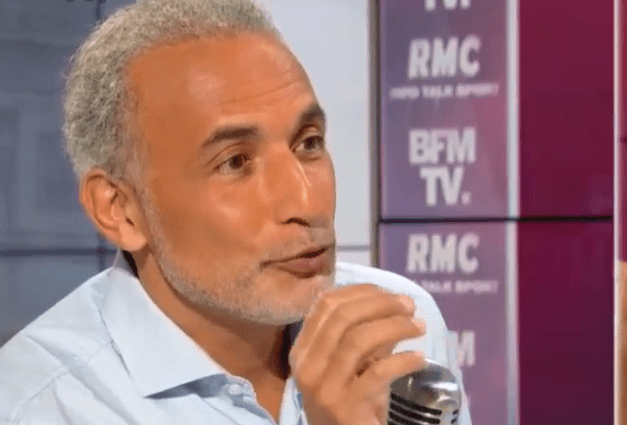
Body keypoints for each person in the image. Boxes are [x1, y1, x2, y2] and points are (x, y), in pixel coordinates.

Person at [0, 0, 471, 424]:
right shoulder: (40, 405)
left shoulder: (399, 324)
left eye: (308, 143)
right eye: (235, 163)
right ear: (119, 210)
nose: (306, 204)